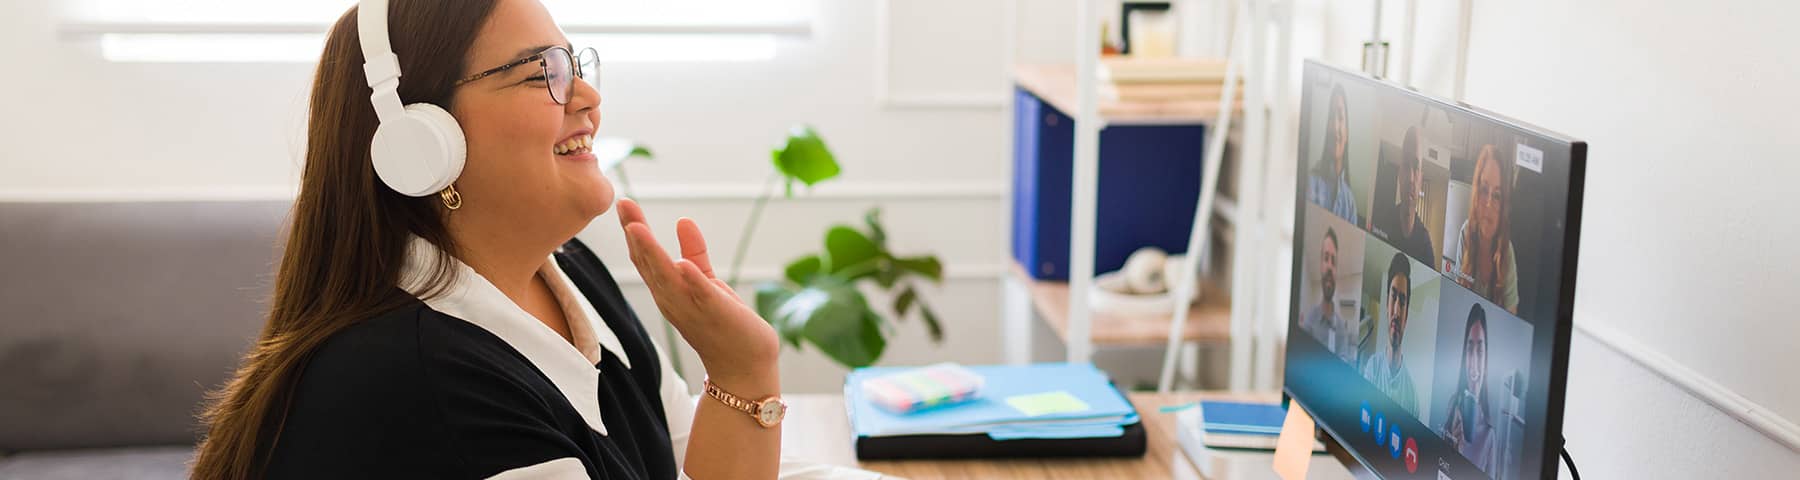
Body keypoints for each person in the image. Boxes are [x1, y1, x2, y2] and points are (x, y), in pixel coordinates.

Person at [188, 1, 877, 479]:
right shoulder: (427, 387)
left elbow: (686, 448)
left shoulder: (565, 272)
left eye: (573, 63)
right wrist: (743, 373)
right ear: (420, 140)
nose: (585, 96)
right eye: (540, 71)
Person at [1449, 144, 1520, 314]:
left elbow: (1511, 317)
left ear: (1503, 204)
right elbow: (1457, 299)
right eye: (1483, 190)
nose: (1488, 204)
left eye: (1496, 195)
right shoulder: (1466, 233)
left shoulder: (1507, 252)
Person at [1361, 253, 1419, 415]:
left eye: (1402, 301)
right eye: (1393, 297)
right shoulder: (1371, 369)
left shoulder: (1412, 396)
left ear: (1407, 314)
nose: (1396, 311)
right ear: (1386, 304)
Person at [1443, 304, 1497, 474]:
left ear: (1486, 358)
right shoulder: (1452, 410)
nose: (1473, 364)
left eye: (1480, 351)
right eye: (1469, 349)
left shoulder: (1490, 436)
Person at [1373, 127, 1436, 264]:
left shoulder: (1426, 248)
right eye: (1406, 166)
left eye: (1416, 167)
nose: (1411, 179)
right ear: (1399, 174)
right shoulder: (1380, 223)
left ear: (1421, 179)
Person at [1301, 227, 1357, 363]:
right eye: (1326, 258)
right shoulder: (1310, 320)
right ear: (1320, 265)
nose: (1330, 267)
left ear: (1337, 271)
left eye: (1334, 261)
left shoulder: (1342, 330)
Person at [1308, 84, 1361, 224]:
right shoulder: (1311, 182)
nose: (1335, 126)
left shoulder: (1350, 204)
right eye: (1331, 117)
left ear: (1347, 132)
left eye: (1340, 117)